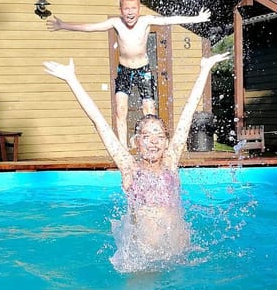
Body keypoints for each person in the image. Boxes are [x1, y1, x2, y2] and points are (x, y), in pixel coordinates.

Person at [43, 50, 230, 268]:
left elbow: (187, 115)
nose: (154, 141)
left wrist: (204, 70)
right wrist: (72, 80)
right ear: (136, 142)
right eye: (147, 136)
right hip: (144, 259)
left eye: (159, 136)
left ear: (167, 142)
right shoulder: (130, 169)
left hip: (180, 253)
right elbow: (99, 123)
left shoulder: (170, 163)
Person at [46, 0, 211, 146]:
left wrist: (197, 18)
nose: (130, 12)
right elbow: (91, 27)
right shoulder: (116, 23)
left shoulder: (146, 21)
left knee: (149, 109)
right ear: (121, 10)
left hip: (144, 71)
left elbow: (169, 20)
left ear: (139, 9)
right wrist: (63, 25)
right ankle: (123, 147)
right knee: (121, 109)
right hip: (124, 70)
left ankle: (151, 142)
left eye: (133, 9)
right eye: (126, 9)